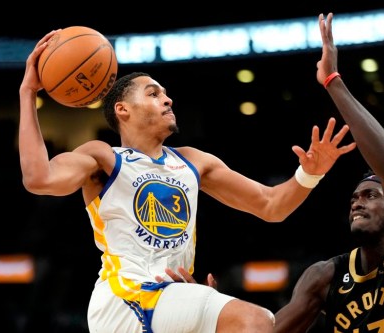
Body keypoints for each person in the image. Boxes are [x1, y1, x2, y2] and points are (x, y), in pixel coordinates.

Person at [18, 29, 356, 333]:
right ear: (122, 110)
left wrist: (312, 172)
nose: (167, 99)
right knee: (256, 321)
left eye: (165, 93)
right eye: (153, 94)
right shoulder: (103, 158)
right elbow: (38, 177)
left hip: (170, 298)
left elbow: (271, 206)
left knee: (257, 323)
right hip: (125, 299)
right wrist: (28, 92)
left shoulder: (193, 161)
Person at [273, 12, 384, 333]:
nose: (356, 202)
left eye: (370, 195)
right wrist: (213, 310)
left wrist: (332, 81)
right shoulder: (325, 275)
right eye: (355, 197)